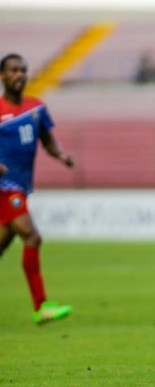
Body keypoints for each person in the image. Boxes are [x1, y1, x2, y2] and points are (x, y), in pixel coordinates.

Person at [0, 53, 74, 324]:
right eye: (13, 70)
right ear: (2, 76)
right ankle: (41, 306)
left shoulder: (36, 109)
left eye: (23, 70)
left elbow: (47, 139)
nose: (19, 75)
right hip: (4, 187)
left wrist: (61, 155)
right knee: (32, 236)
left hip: (19, 185)